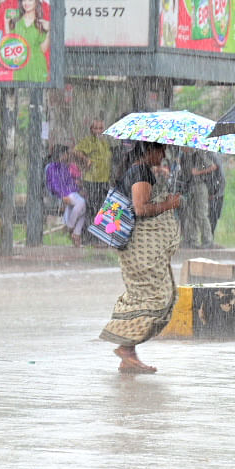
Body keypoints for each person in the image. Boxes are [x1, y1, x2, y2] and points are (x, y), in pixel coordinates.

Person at [100, 142, 181, 374]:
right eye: (161, 150)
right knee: (156, 297)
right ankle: (126, 347)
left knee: (146, 295)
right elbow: (141, 208)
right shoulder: (140, 172)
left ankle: (128, 355)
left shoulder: (138, 171)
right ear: (149, 151)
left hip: (137, 247)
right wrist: (170, 203)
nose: (164, 154)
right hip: (140, 248)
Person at [74, 119, 112, 244]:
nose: (98, 131)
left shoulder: (104, 143)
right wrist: (86, 159)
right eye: (95, 128)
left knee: (101, 208)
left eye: (100, 128)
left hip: (103, 179)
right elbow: (76, 150)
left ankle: (98, 236)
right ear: (91, 129)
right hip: (92, 179)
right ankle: (88, 237)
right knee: (92, 207)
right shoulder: (89, 141)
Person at [45, 145, 85, 247]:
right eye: (67, 153)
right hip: (61, 195)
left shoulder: (64, 166)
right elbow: (53, 185)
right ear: (62, 155)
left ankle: (75, 232)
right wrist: (62, 195)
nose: (68, 155)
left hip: (71, 192)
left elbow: (69, 182)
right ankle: (71, 228)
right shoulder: (51, 167)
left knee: (84, 209)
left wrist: (78, 188)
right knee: (82, 204)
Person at [9, 0, 51, 82]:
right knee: (18, 95)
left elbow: (43, 49)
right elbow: (8, 43)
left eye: (30, 0)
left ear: (36, 2)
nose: (26, 3)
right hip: (20, 66)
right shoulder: (16, 22)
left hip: (37, 67)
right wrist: (6, 23)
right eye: (24, 0)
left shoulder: (41, 23)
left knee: (38, 95)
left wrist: (49, 31)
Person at [180, 148, 217, 248]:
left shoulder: (199, 154)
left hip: (200, 185)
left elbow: (213, 167)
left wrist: (199, 172)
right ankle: (193, 240)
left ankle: (207, 240)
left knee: (201, 214)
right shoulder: (184, 156)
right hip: (189, 187)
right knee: (190, 214)